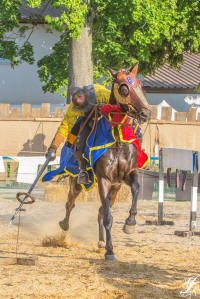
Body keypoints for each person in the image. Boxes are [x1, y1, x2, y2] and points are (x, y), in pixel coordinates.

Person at [47, 84, 111, 184]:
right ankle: (83, 170)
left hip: (107, 117)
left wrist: (106, 107)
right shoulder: (73, 108)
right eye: (75, 99)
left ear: (85, 94)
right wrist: (53, 147)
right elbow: (66, 125)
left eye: (80, 97)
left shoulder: (99, 92)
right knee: (77, 146)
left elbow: (116, 100)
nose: (78, 100)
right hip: (88, 122)